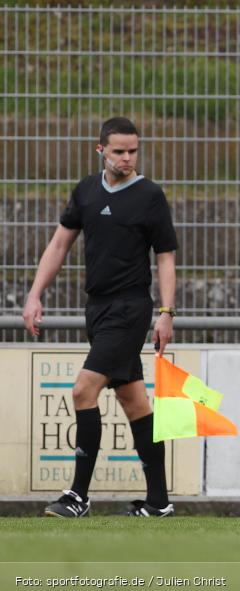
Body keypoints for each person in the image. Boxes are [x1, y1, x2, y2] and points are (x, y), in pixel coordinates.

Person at [22, 117, 179, 518]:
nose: (127, 158)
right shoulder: (87, 191)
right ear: (101, 151)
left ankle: (78, 496)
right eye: (119, 151)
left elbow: (165, 258)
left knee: (81, 391)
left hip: (130, 310)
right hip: (97, 309)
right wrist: (35, 294)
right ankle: (159, 502)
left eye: (133, 151)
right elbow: (59, 243)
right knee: (134, 402)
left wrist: (166, 313)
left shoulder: (150, 196)